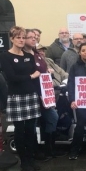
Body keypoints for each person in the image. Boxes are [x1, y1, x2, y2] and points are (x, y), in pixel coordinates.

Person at [0, 26, 41, 171]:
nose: (21, 40)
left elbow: (35, 77)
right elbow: (12, 78)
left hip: (30, 95)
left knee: (30, 129)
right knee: (20, 130)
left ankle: (30, 159)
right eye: (18, 37)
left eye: (23, 37)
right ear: (11, 39)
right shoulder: (5, 56)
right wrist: (30, 76)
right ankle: (23, 161)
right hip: (16, 97)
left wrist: (39, 93)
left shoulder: (29, 56)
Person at [24, 29, 59, 161]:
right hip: (33, 95)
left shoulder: (38, 54)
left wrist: (49, 72)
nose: (34, 39)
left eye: (36, 37)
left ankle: (49, 148)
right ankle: (35, 151)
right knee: (32, 125)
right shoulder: (25, 55)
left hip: (45, 95)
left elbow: (43, 73)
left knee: (52, 118)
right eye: (31, 37)